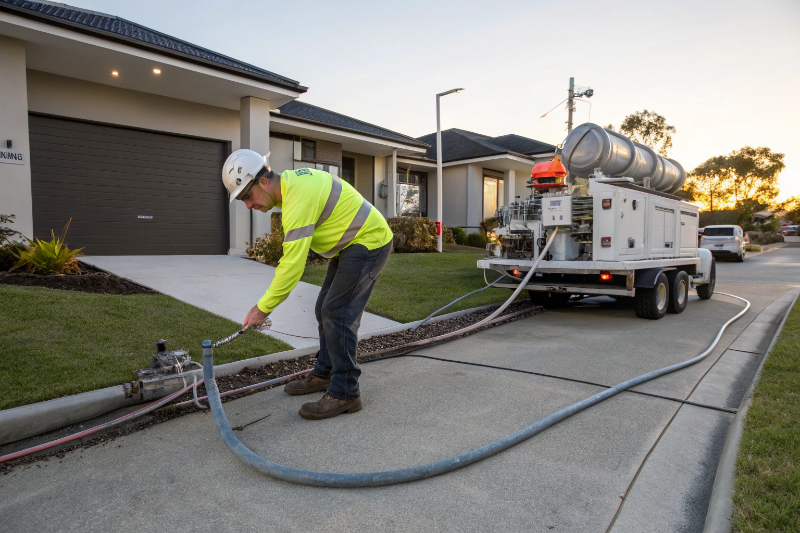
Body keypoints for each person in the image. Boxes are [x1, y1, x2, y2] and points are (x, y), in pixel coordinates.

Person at [222, 149, 392, 420]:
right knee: (323, 309)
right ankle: (325, 374)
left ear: (263, 182)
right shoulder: (292, 186)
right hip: (349, 245)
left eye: (247, 196)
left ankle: (346, 392)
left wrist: (261, 309)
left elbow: (291, 267)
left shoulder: (296, 198)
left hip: (369, 242)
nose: (248, 205)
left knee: (337, 312)